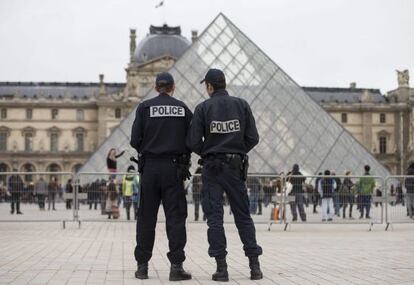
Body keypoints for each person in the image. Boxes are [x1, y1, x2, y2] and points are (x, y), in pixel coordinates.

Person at [187, 68, 263, 281]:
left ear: (210, 86)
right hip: (235, 168)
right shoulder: (242, 104)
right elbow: (253, 138)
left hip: (212, 168)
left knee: (215, 219)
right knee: (243, 217)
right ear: (224, 83)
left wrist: (209, 151)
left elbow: (192, 142)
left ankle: (221, 269)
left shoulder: (203, 108)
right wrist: (238, 151)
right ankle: (254, 267)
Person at [130, 72, 193, 281]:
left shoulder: (145, 107)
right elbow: (192, 138)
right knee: (175, 218)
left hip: (149, 168)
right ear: (173, 87)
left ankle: (142, 267)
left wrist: (149, 149)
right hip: (173, 169)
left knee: (146, 218)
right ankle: (176, 267)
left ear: (156, 87)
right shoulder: (182, 108)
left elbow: (134, 140)